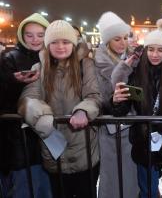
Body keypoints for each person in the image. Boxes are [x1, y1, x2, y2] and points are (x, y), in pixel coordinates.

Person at [18, 20, 101, 198]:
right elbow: (28, 98)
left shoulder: (85, 65)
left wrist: (83, 110)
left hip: (84, 149)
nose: (60, 46)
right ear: (48, 45)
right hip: (54, 152)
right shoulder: (39, 68)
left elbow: (93, 95)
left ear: (73, 43)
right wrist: (42, 118)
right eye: (54, 42)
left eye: (65, 42)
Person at [112, 29, 162, 198]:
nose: (155, 54)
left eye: (160, 50)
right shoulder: (137, 75)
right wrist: (115, 102)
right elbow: (124, 108)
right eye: (150, 49)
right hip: (144, 142)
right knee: (147, 191)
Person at [0, 13, 51, 198]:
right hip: (20, 137)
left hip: (47, 135)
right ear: (22, 35)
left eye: (40, 34)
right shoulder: (9, 58)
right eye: (29, 35)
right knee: (25, 186)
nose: (35, 39)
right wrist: (14, 81)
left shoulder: (52, 56)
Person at [94, 11, 139, 198]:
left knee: (130, 177)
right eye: (116, 39)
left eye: (125, 38)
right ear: (107, 41)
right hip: (110, 129)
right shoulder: (97, 62)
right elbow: (100, 95)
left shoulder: (130, 59)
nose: (122, 43)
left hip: (131, 126)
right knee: (112, 177)